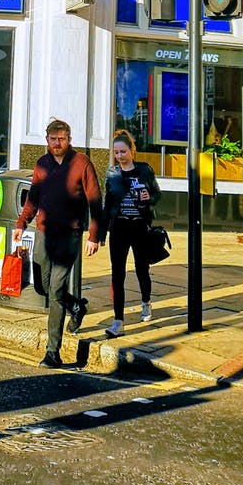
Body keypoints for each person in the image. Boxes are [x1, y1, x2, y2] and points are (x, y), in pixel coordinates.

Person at [12, 119, 103, 369]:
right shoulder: (42, 164)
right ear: (47, 140)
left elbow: (95, 199)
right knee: (42, 286)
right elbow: (33, 198)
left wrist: (94, 235)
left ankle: (53, 352)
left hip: (70, 235)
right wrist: (21, 224)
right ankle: (76, 306)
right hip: (44, 233)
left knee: (55, 290)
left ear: (69, 139)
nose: (57, 143)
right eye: (53, 139)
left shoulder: (82, 163)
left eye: (62, 138)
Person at [101, 129, 161, 336]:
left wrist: (148, 197)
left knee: (141, 269)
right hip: (119, 228)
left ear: (131, 150)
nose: (119, 156)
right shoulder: (112, 174)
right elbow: (107, 204)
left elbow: (157, 194)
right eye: (116, 152)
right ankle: (118, 321)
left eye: (123, 152)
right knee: (117, 274)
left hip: (139, 226)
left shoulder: (144, 170)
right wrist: (101, 232)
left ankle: (146, 301)